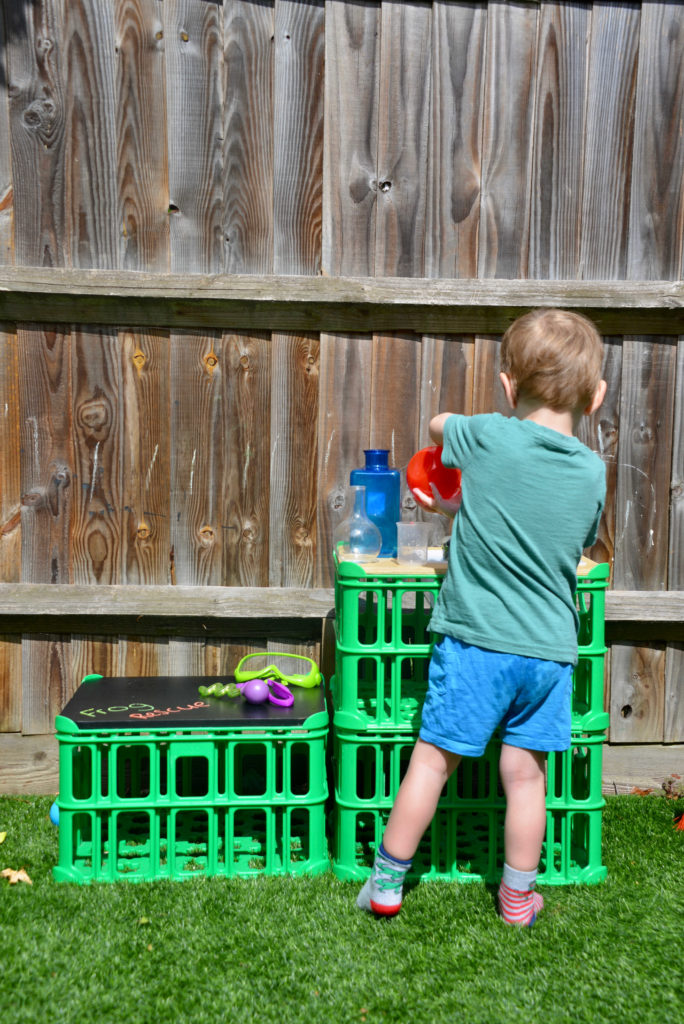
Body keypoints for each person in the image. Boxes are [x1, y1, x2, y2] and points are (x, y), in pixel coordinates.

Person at [357, 308, 607, 927]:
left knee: (433, 761)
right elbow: (559, 540)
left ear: (505, 384)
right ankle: (517, 899)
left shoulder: (489, 435)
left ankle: (386, 884)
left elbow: (438, 424)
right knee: (525, 777)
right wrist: (461, 513)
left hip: (476, 646)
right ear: (596, 397)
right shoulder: (592, 471)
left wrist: (470, 444)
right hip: (548, 652)